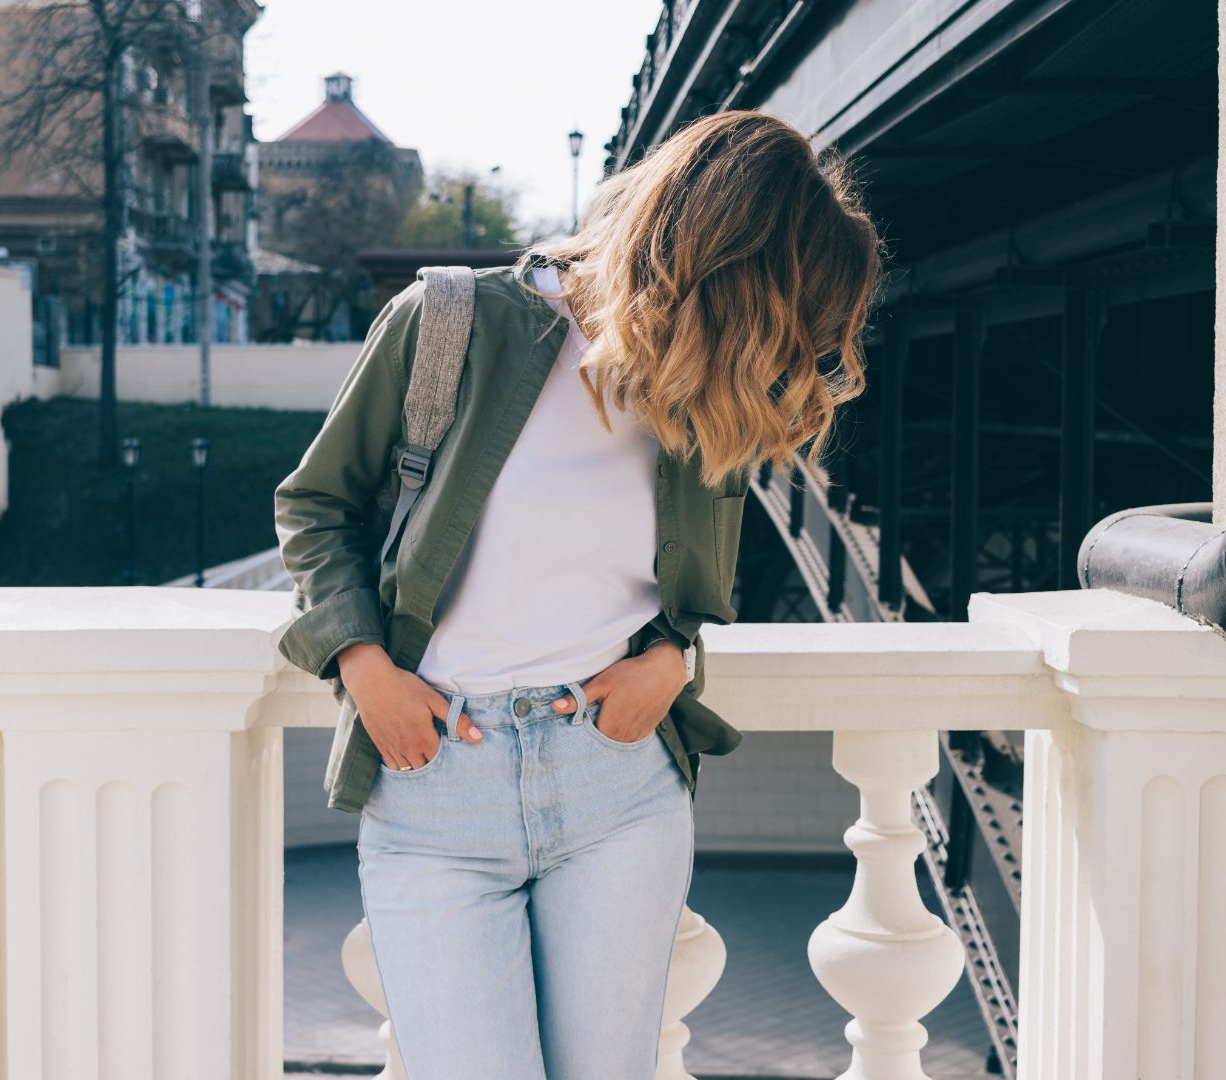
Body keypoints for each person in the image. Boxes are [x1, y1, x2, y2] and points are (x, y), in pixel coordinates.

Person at [273, 109, 882, 1080]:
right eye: (770, 321)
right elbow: (314, 504)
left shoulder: (698, 386)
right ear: (716, 269)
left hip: (617, 787)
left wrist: (673, 661)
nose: (771, 363)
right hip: (438, 786)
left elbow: (679, 591)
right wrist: (361, 665)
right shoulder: (447, 323)